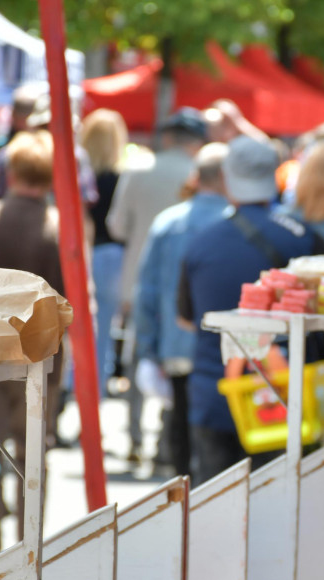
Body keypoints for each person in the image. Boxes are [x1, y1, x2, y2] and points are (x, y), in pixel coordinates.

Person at [177, 135, 324, 486]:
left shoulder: (201, 242)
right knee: (282, 517)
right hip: (285, 400)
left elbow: (185, 318)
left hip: (216, 397)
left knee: (214, 519)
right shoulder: (304, 237)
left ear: (227, 180)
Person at [0, 130, 67, 559]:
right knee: (33, 455)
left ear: (12, 171)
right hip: (41, 356)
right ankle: (29, 546)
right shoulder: (61, 227)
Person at [108, 107, 208, 462]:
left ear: (166, 136)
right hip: (189, 284)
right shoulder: (199, 175)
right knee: (181, 358)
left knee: (139, 356)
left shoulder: (137, 170)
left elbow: (117, 226)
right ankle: (167, 440)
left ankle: (135, 436)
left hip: (138, 273)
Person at [134, 143, 230, 478]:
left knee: (179, 424)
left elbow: (145, 292)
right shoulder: (235, 225)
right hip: (226, 348)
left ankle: (183, 498)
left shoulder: (167, 223)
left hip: (176, 346)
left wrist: (147, 348)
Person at [80, 108, 128, 396]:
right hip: (110, 255)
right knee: (104, 328)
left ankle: (76, 390)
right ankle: (94, 394)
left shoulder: (78, 176)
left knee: (75, 330)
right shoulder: (122, 178)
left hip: (81, 253)